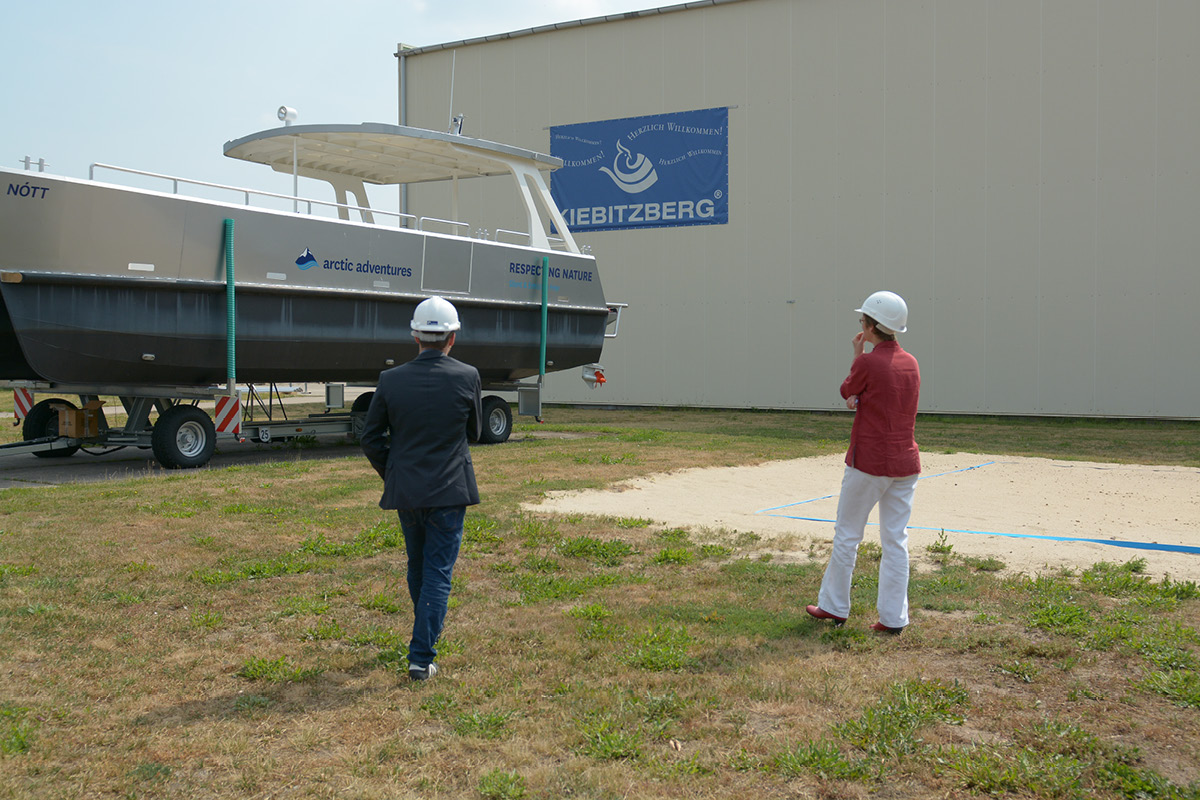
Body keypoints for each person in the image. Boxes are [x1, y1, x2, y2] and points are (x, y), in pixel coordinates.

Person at [361, 296, 482, 680]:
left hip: (408, 491)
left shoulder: (390, 380)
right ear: (452, 337)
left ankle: (423, 640)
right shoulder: (467, 376)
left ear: (415, 336)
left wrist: (393, 470)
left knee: (418, 566)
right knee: (437, 571)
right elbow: (474, 432)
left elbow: (371, 438)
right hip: (450, 488)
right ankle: (421, 655)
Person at [806, 291, 921, 635]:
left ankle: (834, 606)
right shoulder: (911, 362)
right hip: (905, 462)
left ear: (871, 326)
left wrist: (857, 356)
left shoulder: (868, 362)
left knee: (847, 535)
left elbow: (847, 389)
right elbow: (884, 397)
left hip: (869, 461)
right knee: (896, 540)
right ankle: (893, 618)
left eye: (863, 321)